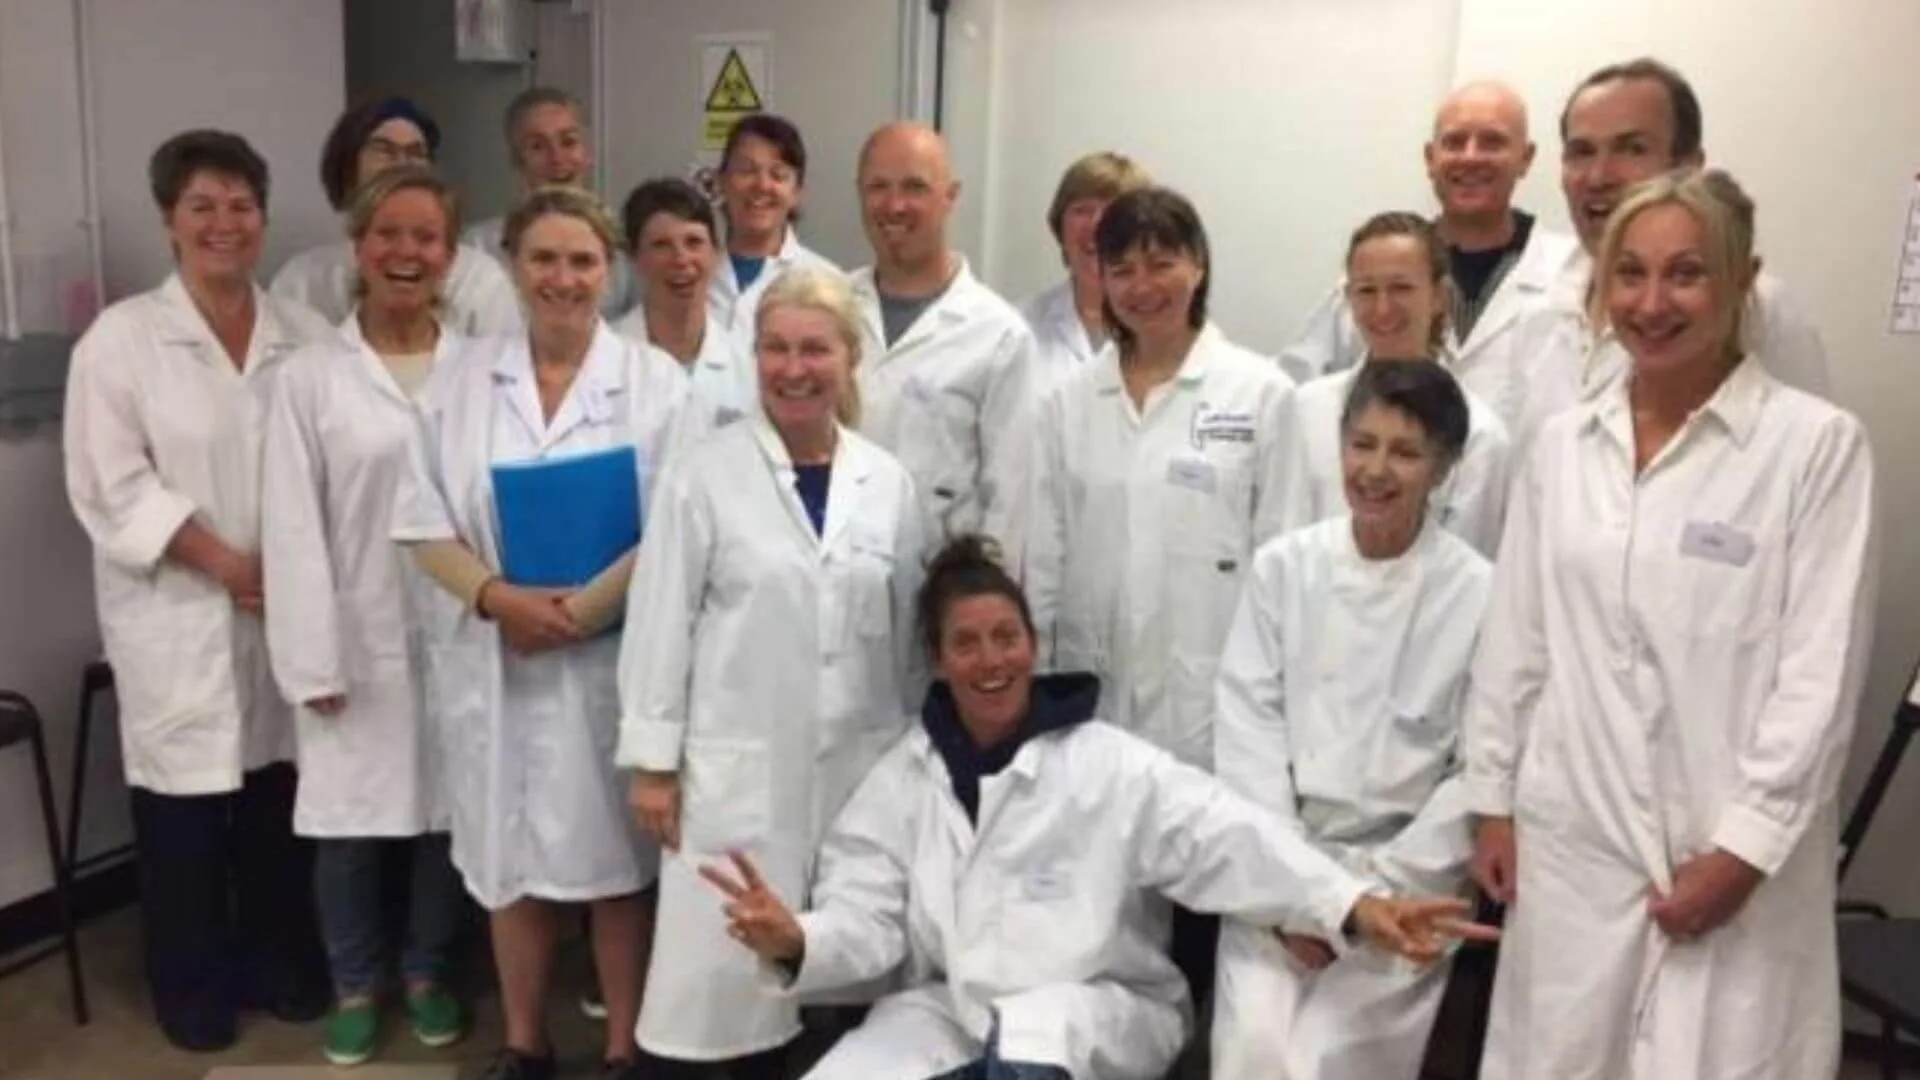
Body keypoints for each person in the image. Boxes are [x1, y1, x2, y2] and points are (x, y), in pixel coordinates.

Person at [700, 534, 1498, 1080]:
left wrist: (1351, 904)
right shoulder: (904, 780)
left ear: (1033, 644)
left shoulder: (1108, 766)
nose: (991, 661)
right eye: (967, 643)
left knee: (1030, 1056)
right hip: (953, 1010)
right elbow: (868, 919)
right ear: (938, 662)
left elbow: (1227, 841)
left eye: (1006, 637)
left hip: (1097, 1009)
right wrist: (798, 940)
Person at [1465, 169, 1877, 1080]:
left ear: (1740, 282)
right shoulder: (1564, 446)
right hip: (1575, 830)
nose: (1652, 303)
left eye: (1686, 274)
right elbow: (1516, 637)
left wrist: (1743, 852)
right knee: (1559, 1054)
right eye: (1630, 275)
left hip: (1728, 848)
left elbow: (1822, 674)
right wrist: (1491, 798)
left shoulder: (1814, 448)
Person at [392, 186, 700, 1080]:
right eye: (544, 259)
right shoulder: (459, 379)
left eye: (582, 261)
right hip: (497, 658)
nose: (562, 279)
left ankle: (622, 1049)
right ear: (514, 268)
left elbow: (676, 529)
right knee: (508, 860)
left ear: (609, 273)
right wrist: (496, 598)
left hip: (606, 663)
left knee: (614, 864)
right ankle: (524, 1044)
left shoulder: (655, 383)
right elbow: (420, 522)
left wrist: (576, 614)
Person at [617, 266, 925, 1078]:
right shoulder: (705, 473)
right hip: (734, 773)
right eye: (776, 348)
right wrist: (653, 762)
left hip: (860, 771)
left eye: (815, 349)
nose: (795, 368)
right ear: (754, 358)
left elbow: (907, 641)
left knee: (838, 984)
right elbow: (659, 623)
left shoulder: (887, 484)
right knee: (709, 992)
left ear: (849, 359)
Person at [62, 129, 332, 1052]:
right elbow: (113, 482)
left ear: (262, 216)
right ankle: (193, 991)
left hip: (285, 610)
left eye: (241, 205)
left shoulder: (306, 335)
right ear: (170, 221)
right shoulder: (123, 339)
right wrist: (230, 568)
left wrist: (290, 578)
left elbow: (340, 463)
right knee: (181, 816)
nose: (225, 224)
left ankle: (282, 964)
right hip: (179, 611)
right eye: (203, 206)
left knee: (276, 801)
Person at [1024, 185, 1305, 1007]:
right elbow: (1046, 556)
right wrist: (1041, 693)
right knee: (1107, 906)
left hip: (1214, 705)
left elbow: (1280, 564)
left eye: (1162, 262)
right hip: (1096, 696)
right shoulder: (1069, 401)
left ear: (1199, 265)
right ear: (1100, 279)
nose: (1144, 285)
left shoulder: (1258, 395)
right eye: (1123, 268)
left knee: (1211, 907)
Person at [1210, 359, 1491, 1080]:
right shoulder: (1283, 570)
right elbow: (1248, 738)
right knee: (1253, 1054)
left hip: (1404, 889)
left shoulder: (1480, 595)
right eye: (1362, 444)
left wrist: (1361, 905)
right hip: (1278, 872)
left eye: (1405, 452)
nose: (1375, 469)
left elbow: (1474, 774)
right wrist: (1306, 899)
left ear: (1445, 468)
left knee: (1317, 1062)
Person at [259, 165, 470, 1066]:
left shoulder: (483, 367)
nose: (406, 253)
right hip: (358, 630)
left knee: (443, 817)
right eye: (389, 235)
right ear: (358, 249)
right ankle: (354, 984)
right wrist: (312, 659)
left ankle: (425, 973)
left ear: (450, 256)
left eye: (425, 237)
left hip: (463, 628)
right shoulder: (311, 378)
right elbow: (291, 526)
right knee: (347, 824)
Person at [1505, 57, 1833, 450]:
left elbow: (1799, 458)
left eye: (1632, 149)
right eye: (1581, 152)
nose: (1598, 176)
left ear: (1689, 166)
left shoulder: (1759, 307)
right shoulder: (1537, 300)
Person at [1278, 81, 1580, 394]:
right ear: (1430, 158)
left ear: (1525, 158)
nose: (1471, 157)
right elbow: (1295, 390)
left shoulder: (1575, 274)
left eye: (1492, 142)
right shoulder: (1377, 269)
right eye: (1454, 142)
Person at [850, 121, 1039, 565]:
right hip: (837, 583)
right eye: (878, 187)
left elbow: (1011, 506)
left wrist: (985, 618)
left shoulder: (999, 335)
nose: (894, 205)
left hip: (940, 593)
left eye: (915, 187)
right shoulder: (831, 311)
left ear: (950, 196)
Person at [1290, 213, 1511, 555]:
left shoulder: (1481, 435)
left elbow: (1471, 571)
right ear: (1348, 298)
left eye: (1401, 288)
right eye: (1366, 290)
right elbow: (1283, 543)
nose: (1382, 308)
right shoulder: (1306, 410)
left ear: (1439, 295)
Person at [271, 97, 520, 337]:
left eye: (415, 152)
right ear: (347, 166)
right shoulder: (302, 280)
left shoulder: (478, 278)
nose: (402, 163)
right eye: (384, 150)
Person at [465, 85, 635, 318]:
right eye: (537, 146)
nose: (557, 158)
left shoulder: (624, 246)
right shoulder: (478, 248)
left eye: (568, 142)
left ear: (587, 152)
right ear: (516, 159)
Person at [612, 177, 757, 426]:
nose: (681, 259)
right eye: (661, 245)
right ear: (634, 257)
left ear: (717, 253)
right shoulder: (606, 356)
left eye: (694, 243)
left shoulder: (746, 361)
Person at [708, 113, 841, 360]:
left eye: (778, 175)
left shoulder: (826, 281)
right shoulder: (692, 274)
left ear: (797, 191)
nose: (761, 185)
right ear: (721, 181)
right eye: (747, 170)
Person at [1019, 151, 1153, 388]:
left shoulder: (1169, 329)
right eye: (1082, 210)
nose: (1096, 225)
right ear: (1059, 225)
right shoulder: (1019, 327)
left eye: (1113, 211)